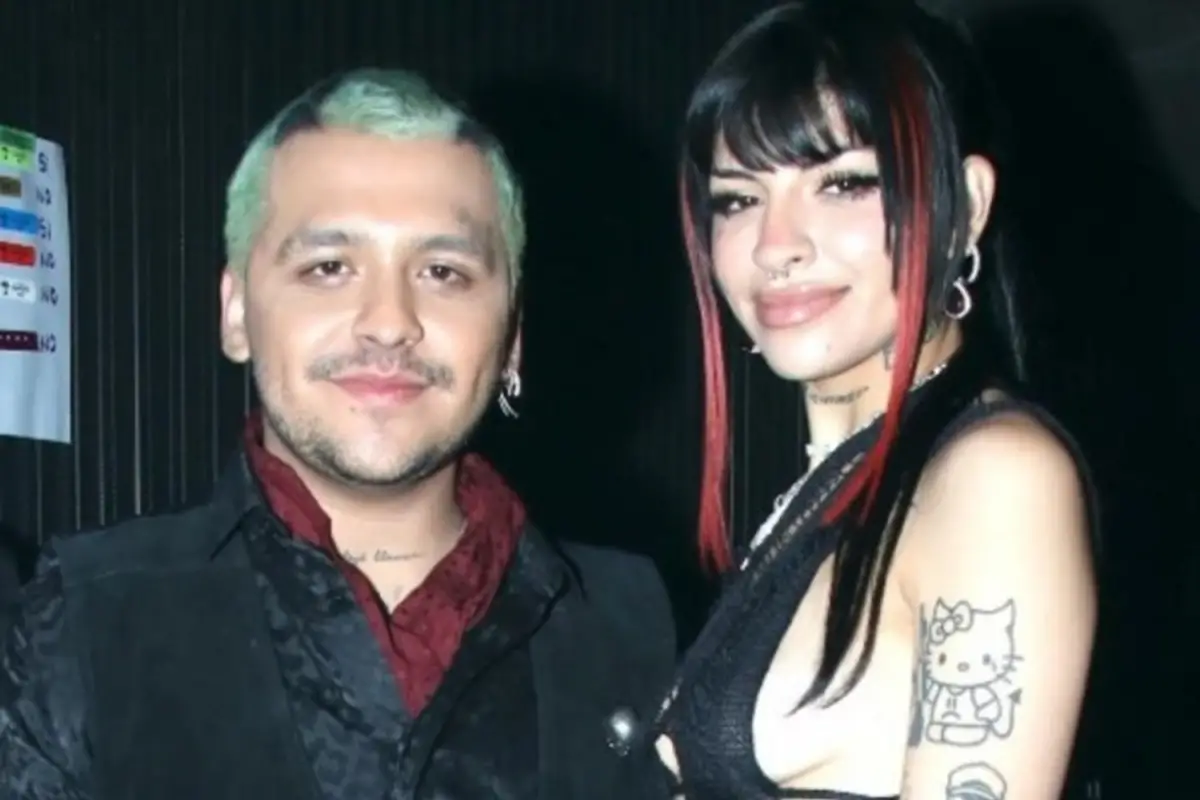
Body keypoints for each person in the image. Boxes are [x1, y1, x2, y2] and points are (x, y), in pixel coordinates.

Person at [0, 69, 676, 799]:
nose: (388, 322)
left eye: (443, 272)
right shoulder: (84, 618)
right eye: (329, 268)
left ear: (512, 336)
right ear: (236, 313)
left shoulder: (636, 624)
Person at [652, 2, 1097, 799]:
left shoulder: (997, 478)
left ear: (965, 206)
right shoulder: (824, 493)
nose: (776, 245)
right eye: (738, 199)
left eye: (844, 184)